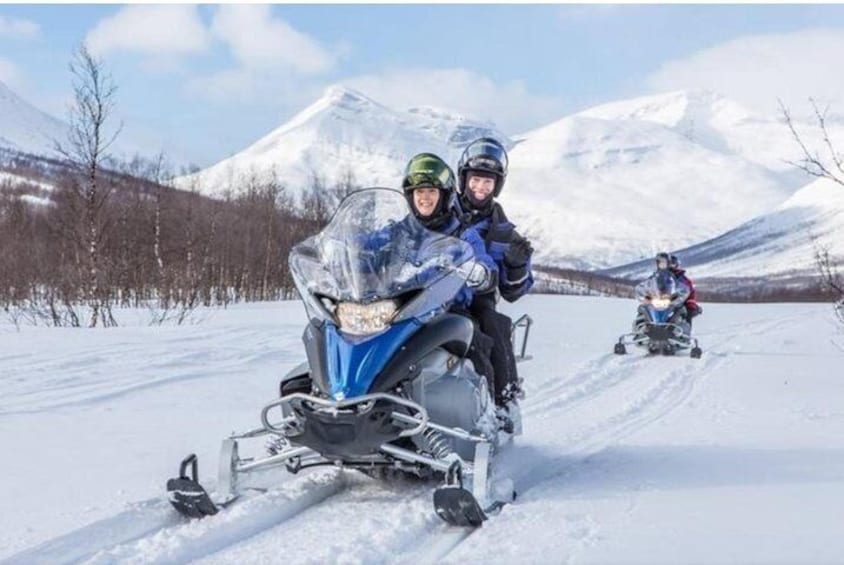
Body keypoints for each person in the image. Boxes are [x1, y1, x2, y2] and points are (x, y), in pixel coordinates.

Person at [400, 152, 500, 389]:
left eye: (431, 192)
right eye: (419, 192)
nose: (424, 198)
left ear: (444, 195)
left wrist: (480, 272)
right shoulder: (399, 231)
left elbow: (484, 261)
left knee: (475, 342)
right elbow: (371, 243)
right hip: (400, 308)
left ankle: (490, 406)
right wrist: (344, 248)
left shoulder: (464, 233)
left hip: (447, 309)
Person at [454, 137, 533, 408]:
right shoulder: (441, 210)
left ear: (497, 185)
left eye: (488, 181)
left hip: (477, 299)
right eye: (475, 179)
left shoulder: (505, 233)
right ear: (464, 179)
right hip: (428, 290)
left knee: (491, 324)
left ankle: (502, 399)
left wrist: (517, 265)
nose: (480, 187)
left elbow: (513, 292)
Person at [669, 254, 702, 325]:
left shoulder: (683, 279)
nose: (670, 266)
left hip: (678, 301)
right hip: (660, 300)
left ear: (676, 264)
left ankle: (684, 331)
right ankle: (642, 329)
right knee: (645, 308)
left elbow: (691, 291)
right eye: (667, 264)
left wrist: (690, 302)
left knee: (686, 311)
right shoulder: (658, 277)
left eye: (672, 264)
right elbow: (650, 285)